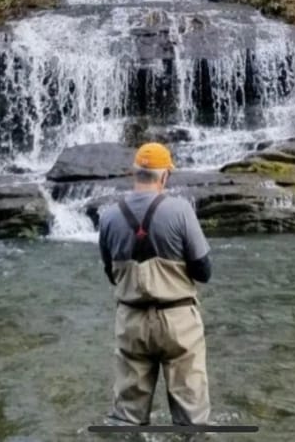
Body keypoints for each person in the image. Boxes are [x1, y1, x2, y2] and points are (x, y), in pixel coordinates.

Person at [98, 142, 212, 428]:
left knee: (126, 417)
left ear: (134, 173)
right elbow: (203, 271)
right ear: (164, 176)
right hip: (178, 322)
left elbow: (111, 274)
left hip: (131, 321)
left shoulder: (109, 217)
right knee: (192, 418)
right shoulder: (180, 210)